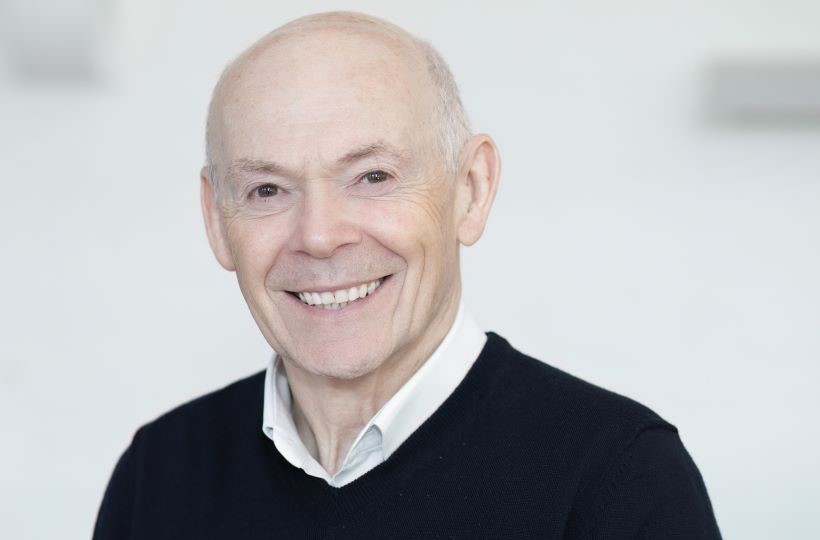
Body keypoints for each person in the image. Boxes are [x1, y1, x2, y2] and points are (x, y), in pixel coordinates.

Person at [93, 11, 722, 539]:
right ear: (216, 220)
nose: (319, 235)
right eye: (266, 189)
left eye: (372, 177)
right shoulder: (158, 475)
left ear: (470, 191)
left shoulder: (620, 480)